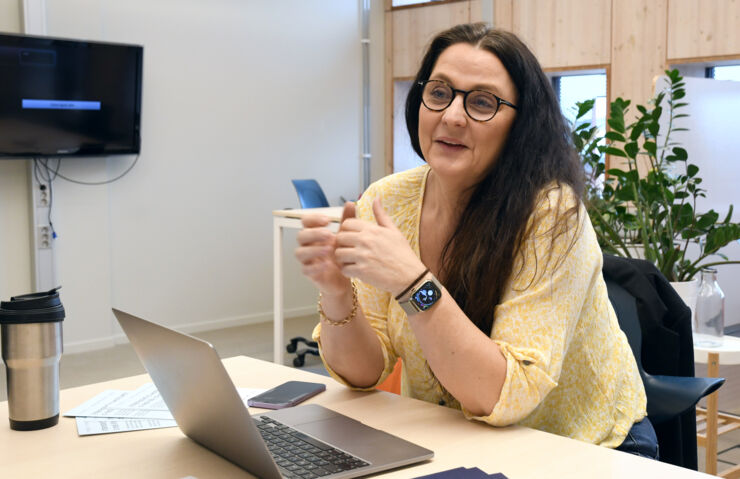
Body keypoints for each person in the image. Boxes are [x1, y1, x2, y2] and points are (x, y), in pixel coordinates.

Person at [294, 23, 657, 458]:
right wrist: (337, 295)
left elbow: (506, 396)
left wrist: (414, 284)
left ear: (520, 126)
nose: (451, 116)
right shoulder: (387, 199)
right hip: (454, 441)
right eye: (440, 93)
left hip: (585, 447)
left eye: (482, 102)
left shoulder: (552, 214)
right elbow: (365, 373)